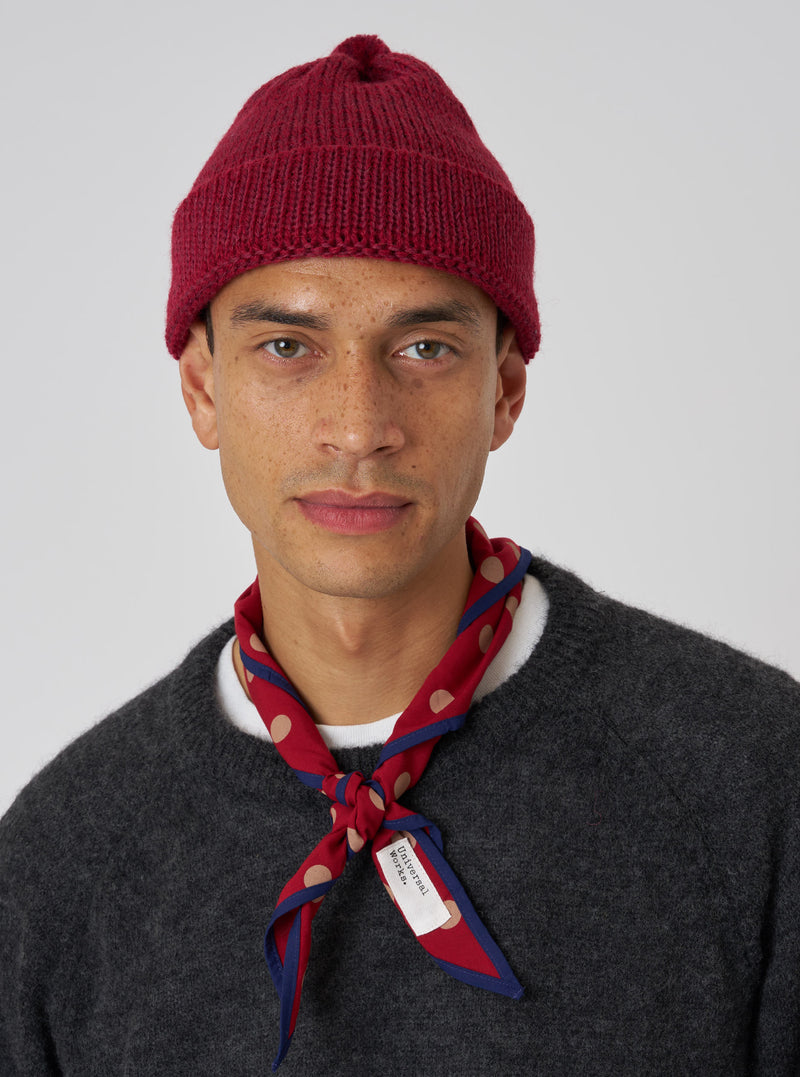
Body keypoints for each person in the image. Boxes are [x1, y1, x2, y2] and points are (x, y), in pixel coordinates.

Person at [1, 34, 798, 1077]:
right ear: (202, 389)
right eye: (285, 347)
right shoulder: (64, 859)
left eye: (424, 349)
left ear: (503, 391)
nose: (357, 425)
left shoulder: (753, 778)